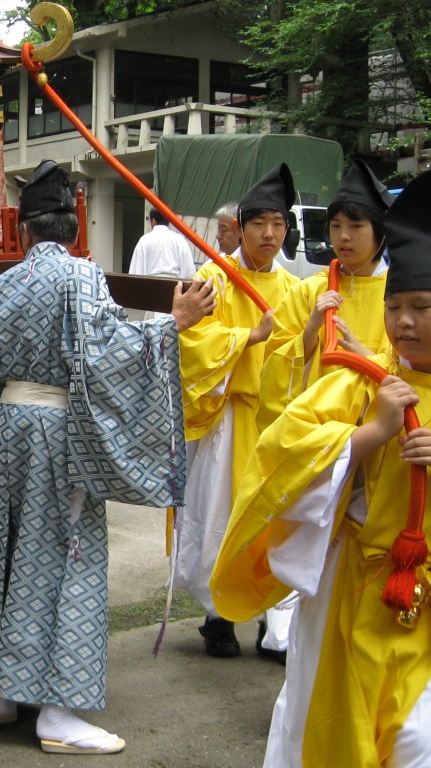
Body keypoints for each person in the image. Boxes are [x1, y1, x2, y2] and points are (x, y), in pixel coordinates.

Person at [0, 159, 216, 754]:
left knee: (8, 553)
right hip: (58, 433)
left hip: (8, 428)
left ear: (23, 231)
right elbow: (109, 354)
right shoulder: (81, 278)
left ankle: (4, 694)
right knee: (65, 559)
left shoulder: (3, 284)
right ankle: (56, 710)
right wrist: (174, 324)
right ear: (74, 229)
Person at [211, 170, 431, 768]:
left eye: (421, 308)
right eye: (396, 309)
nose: (404, 322)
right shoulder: (372, 382)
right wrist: (369, 436)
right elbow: (285, 446)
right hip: (358, 587)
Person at [173, 164, 300, 659]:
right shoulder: (214, 279)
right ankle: (217, 615)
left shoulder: (293, 288)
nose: (269, 234)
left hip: (276, 426)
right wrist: (248, 337)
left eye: (278, 224)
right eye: (259, 224)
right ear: (241, 227)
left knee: (274, 520)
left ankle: (277, 624)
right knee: (221, 518)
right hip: (228, 419)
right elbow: (192, 341)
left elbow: (300, 356)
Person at [258, 159, 395, 433]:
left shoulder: (399, 295)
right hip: (318, 432)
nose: (343, 237)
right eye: (335, 226)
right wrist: (311, 330)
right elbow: (273, 365)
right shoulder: (310, 290)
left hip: (381, 429)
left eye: (356, 226)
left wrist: (365, 357)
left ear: (380, 232)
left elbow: (414, 371)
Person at [129, 206, 197, 280]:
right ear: (168, 221)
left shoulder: (144, 241)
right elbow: (189, 272)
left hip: (149, 286)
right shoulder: (180, 240)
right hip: (175, 286)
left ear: (153, 220)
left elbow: (136, 272)